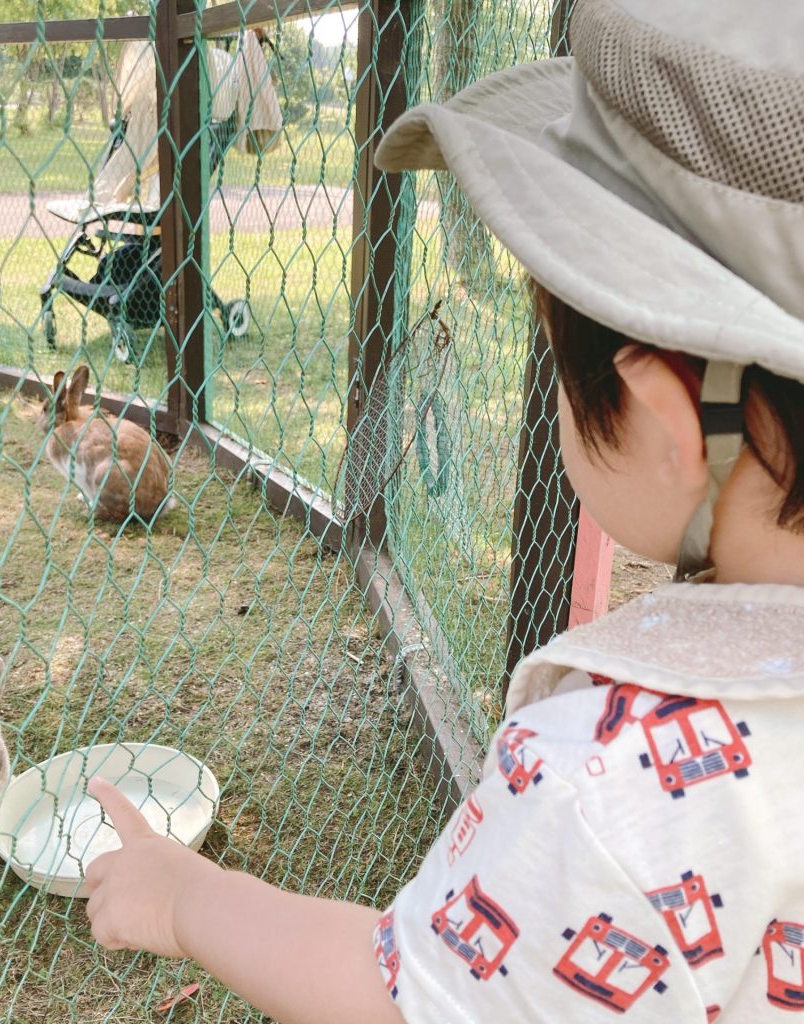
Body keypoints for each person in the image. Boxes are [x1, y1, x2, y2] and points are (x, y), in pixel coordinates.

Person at [84, 0, 804, 1019]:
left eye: (554, 358)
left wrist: (184, 896)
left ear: (661, 421)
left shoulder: (612, 786)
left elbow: (400, 994)